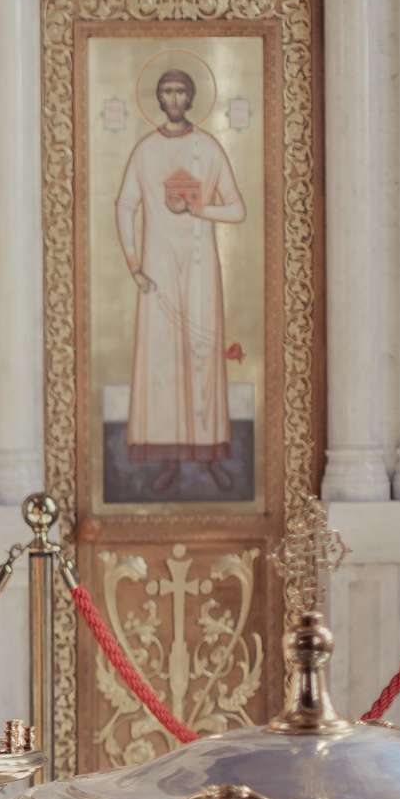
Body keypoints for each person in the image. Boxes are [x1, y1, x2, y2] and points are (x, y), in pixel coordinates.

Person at [115, 68, 246, 494]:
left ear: (190, 98)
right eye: (167, 90)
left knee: (203, 358)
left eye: (181, 91)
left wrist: (197, 210)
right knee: (163, 360)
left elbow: (238, 209)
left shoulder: (207, 148)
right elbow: (124, 205)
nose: (174, 97)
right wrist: (134, 264)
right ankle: (170, 459)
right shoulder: (147, 150)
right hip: (158, 269)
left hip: (200, 266)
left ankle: (209, 458)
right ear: (158, 97)